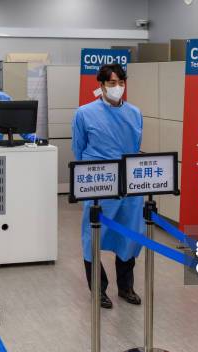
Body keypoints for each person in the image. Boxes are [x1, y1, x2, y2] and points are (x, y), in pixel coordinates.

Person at [72, 63, 144, 309]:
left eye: (121, 83)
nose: (117, 88)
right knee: (93, 236)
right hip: (98, 182)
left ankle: (126, 287)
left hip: (129, 183)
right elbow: (78, 149)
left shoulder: (135, 113)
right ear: (101, 85)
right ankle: (98, 289)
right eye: (112, 83)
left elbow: (135, 145)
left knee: (129, 236)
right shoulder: (84, 113)